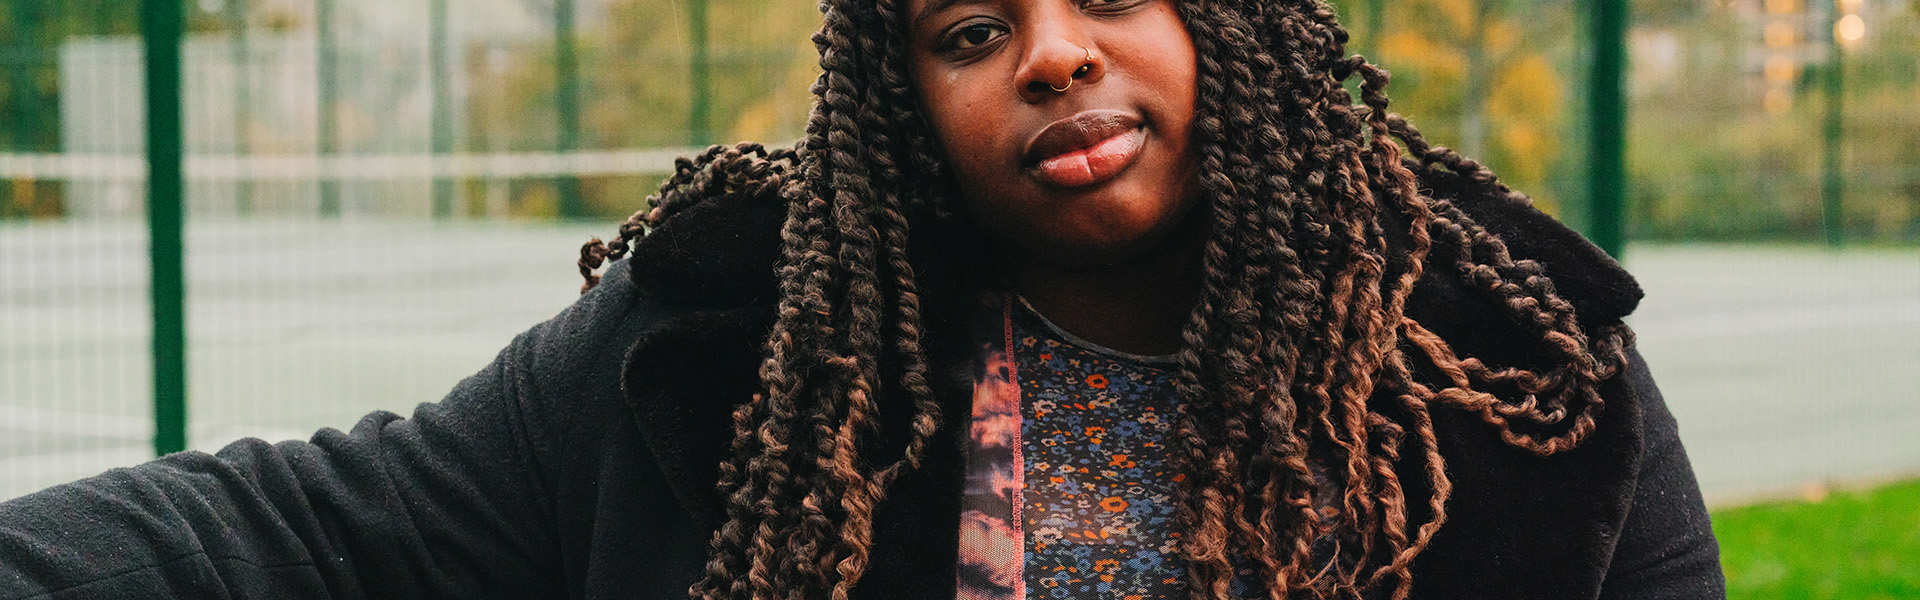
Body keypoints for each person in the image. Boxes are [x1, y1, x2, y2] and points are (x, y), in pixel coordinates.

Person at [0, 0, 1725, 598]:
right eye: (971, 34)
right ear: (910, 109)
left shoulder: (1514, 367)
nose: (1055, 55)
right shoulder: (735, 350)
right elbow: (319, 530)